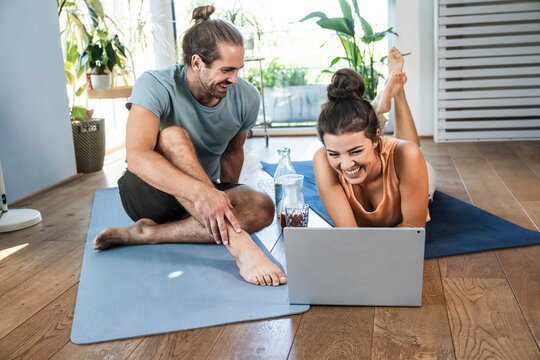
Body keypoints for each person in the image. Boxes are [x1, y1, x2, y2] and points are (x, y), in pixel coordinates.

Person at [93, 5, 287, 287]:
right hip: (150, 194)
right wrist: (203, 195)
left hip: (202, 194)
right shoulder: (155, 84)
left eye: (238, 70)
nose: (234, 79)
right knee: (172, 136)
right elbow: (137, 157)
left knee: (262, 207)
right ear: (197, 63)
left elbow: (232, 153)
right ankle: (238, 244)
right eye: (227, 70)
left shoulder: (246, 97)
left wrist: (224, 200)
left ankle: (146, 235)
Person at [313, 47, 436, 228]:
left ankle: (397, 93)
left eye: (355, 151)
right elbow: (349, 235)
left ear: (377, 138)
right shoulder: (322, 159)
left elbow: (412, 231)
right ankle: (380, 103)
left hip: (416, 169)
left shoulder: (408, 156)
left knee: (411, 152)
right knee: (406, 150)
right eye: (334, 154)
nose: (346, 164)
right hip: (375, 141)